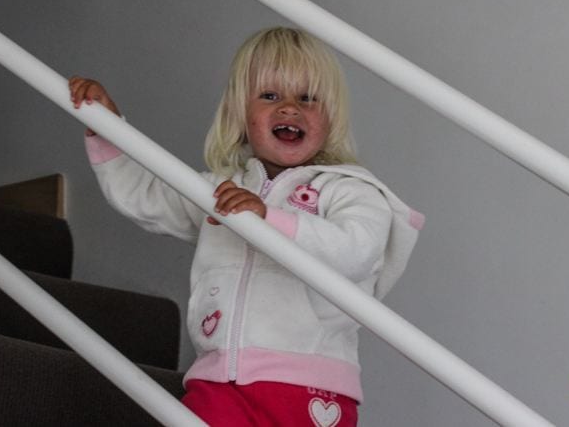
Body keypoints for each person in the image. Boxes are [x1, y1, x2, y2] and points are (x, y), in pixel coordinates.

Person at [69, 27, 423, 426]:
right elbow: (147, 198)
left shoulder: (349, 191)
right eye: (270, 96)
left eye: (307, 98)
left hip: (309, 388)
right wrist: (109, 130)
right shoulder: (221, 190)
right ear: (241, 112)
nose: (289, 109)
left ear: (331, 116)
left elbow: (355, 251)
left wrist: (269, 220)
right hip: (218, 383)